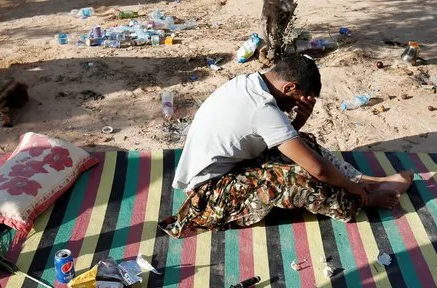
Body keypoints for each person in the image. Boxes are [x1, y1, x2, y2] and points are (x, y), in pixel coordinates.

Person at [159, 55, 413, 238]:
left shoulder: (248, 83)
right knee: (299, 178)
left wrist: (298, 121)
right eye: (297, 98)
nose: (295, 105)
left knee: (302, 143)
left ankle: (368, 180)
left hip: (227, 170)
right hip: (209, 195)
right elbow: (318, 170)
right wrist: (352, 189)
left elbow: (272, 136)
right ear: (289, 86)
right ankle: (363, 198)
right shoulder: (263, 109)